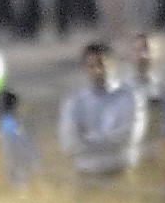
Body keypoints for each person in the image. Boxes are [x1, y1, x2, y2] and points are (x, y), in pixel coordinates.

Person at [58, 42, 146, 189]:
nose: (97, 71)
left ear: (113, 65)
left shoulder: (130, 98)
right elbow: (69, 143)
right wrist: (107, 139)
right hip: (86, 177)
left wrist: (88, 139)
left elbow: (129, 136)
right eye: (91, 66)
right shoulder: (75, 102)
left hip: (121, 175)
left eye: (101, 65)